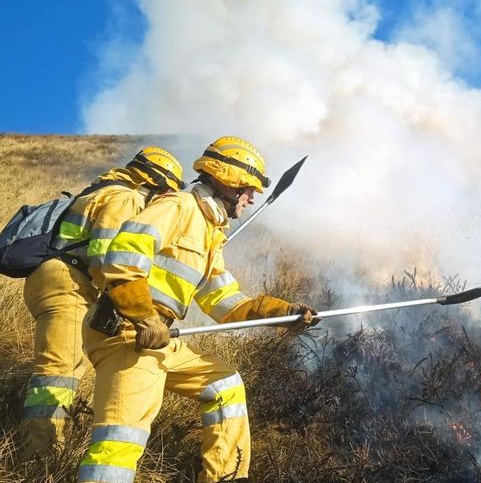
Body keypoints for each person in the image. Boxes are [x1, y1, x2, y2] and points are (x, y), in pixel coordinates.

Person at [78, 136, 318, 483]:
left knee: (225, 385)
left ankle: (224, 476)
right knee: (120, 442)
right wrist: (143, 316)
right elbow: (123, 256)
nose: (252, 199)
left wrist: (282, 313)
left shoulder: (210, 233)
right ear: (227, 180)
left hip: (160, 340)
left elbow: (224, 302)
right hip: (129, 335)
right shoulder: (179, 206)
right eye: (249, 190)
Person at [20, 147, 185, 458]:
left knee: (67, 366)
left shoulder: (104, 189)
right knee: (58, 371)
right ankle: (36, 457)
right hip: (68, 282)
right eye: (166, 193)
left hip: (58, 280)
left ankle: (43, 447)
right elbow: (105, 255)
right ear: (158, 183)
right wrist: (131, 297)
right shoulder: (127, 198)